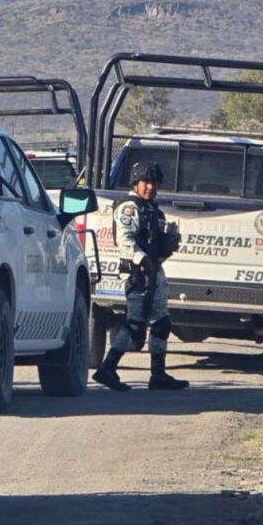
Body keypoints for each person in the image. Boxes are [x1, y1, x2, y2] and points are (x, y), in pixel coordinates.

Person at [93, 161, 188, 392]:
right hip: (139, 274)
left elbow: (154, 241)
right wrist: (144, 261)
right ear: (136, 183)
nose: (150, 187)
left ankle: (158, 375)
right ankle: (107, 368)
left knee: (162, 323)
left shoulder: (151, 209)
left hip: (154, 274)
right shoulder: (129, 207)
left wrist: (167, 246)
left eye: (154, 183)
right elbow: (125, 241)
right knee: (135, 325)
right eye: (146, 182)